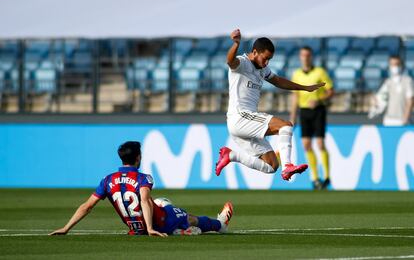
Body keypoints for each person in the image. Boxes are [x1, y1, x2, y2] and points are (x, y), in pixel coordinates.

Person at [50, 141, 233, 237]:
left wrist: (66, 228)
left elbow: (87, 206)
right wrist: (152, 228)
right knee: (185, 215)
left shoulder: (107, 180)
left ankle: (178, 230)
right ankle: (220, 225)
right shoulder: (143, 178)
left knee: (161, 202)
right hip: (157, 222)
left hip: (135, 228)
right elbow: (144, 201)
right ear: (138, 158)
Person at [215, 29, 325, 181]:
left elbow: (278, 81)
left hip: (244, 125)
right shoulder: (242, 63)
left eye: (269, 60)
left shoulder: (263, 69)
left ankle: (231, 155)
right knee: (285, 126)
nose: (266, 63)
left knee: (271, 166)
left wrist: (304, 88)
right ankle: (287, 167)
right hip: (240, 117)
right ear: (255, 52)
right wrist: (236, 44)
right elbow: (230, 61)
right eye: (265, 58)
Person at [289, 46, 334, 190]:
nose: (305, 58)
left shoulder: (320, 72)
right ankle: (315, 178)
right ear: (300, 57)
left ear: (311, 56)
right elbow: (295, 97)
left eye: (308, 55)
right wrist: (293, 116)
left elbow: (331, 91)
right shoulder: (296, 74)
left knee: (320, 143)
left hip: (318, 110)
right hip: (304, 111)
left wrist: (319, 100)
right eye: (303, 55)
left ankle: (327, 176)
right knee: (306, 144)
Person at [369, 55, 413, 126]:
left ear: (401, 65)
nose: (394, 67)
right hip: (389, 120)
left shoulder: (407, 81)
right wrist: (375, 102)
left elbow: (410, 100)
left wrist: (406, 118)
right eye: (392, 64)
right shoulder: (388, 82)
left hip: (402, 120)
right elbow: (381, 99)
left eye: (396, 64)